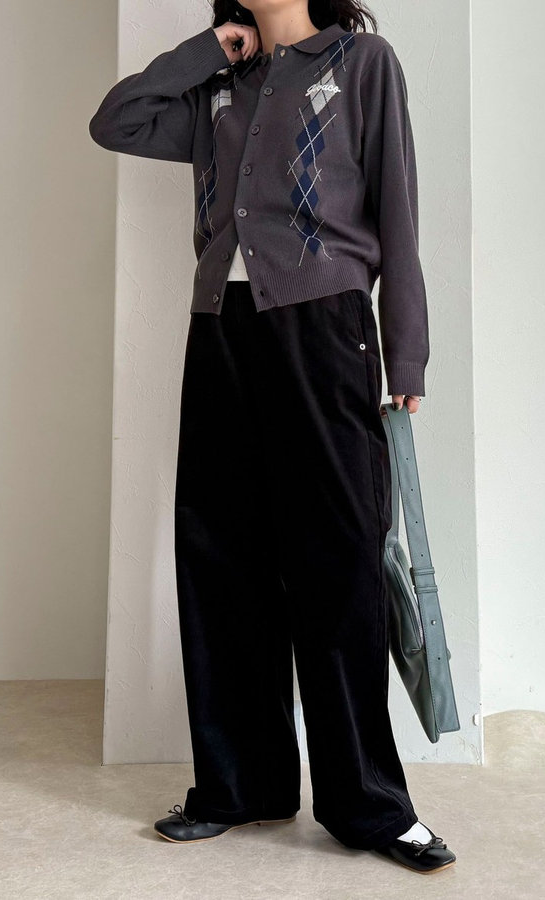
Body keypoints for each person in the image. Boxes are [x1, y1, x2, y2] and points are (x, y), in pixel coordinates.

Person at [89, 0, 455, 875]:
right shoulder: (221, 82)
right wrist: (209, 50)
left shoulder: (361, 64)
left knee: (338, 564)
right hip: (221, 329)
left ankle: (369, 805)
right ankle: (241, 785)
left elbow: (398, 208)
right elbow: (117, 121)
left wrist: (406, 350)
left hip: (325, 330)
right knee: (221, 557)